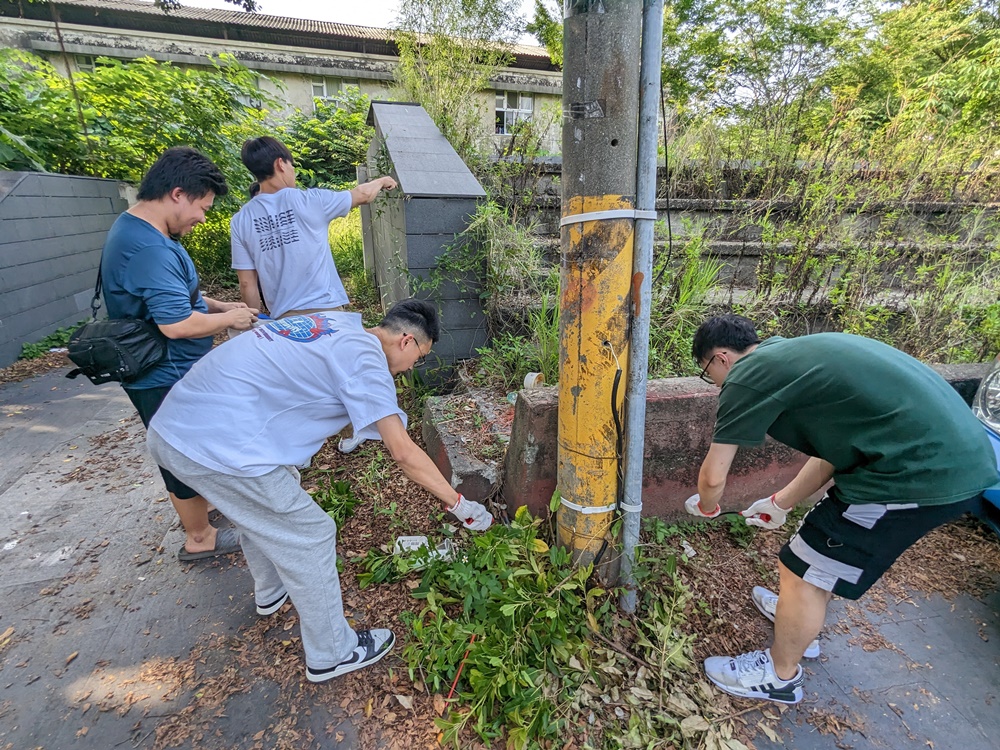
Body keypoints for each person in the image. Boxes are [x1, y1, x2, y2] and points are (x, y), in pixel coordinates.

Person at [145, 299, 493, 682]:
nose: (413, 368)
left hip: (180, 421)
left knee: (267, 504)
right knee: (311, 534)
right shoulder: (368, 363)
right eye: (420, 357)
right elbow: (403, 451)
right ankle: (332, 653)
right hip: (214, 445)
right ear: (407, 341)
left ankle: (271, 590)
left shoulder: (339, 325)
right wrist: (459, 503)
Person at [684, 314, 999, 704]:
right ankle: (797, 620)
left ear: (720, 358)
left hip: (913, 474)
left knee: (803, 573)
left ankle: (780, 677)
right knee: (809, 561)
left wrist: (708, 507)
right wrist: (781, 502)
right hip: (946, 458)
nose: (714, 383)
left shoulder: (748, 375)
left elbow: (713, 478)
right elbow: (833, 452)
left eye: (706, 374)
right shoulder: (794, 356)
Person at [101, 147, 259, 562]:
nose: (202, 218)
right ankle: (199, 537)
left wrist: (221, 306)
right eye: (202, 207)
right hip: (162, 374)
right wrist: (231, 322)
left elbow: (174, 297)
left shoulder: (136, 229)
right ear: (177, 193)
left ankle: (202, 508)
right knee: (181, 452)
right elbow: (176, 323)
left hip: (162, 369)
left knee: (189, 447)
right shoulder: (150, 248)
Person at [229, 135, 396, 320]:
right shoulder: (310, 201)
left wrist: (253, 323)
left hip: (285, 321)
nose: (293, 171)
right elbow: (363, 195)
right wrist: (381, 181)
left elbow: (246, 283)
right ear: (281, 164)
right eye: (292, 166)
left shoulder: (241, 220)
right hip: (327, 313)